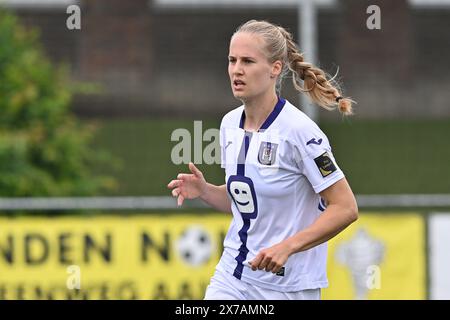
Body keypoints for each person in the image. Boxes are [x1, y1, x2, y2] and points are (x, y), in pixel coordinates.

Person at [167, 20, 358, 300]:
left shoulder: (299, 132)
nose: (237, 70)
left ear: (275, 68)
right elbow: (246, 203)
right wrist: (206, 191)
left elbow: (345, 208)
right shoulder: (229, 124)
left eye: (247, 61)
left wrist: (287, 247)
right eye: (232, 60)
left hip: (290, 287)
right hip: (233, 276)